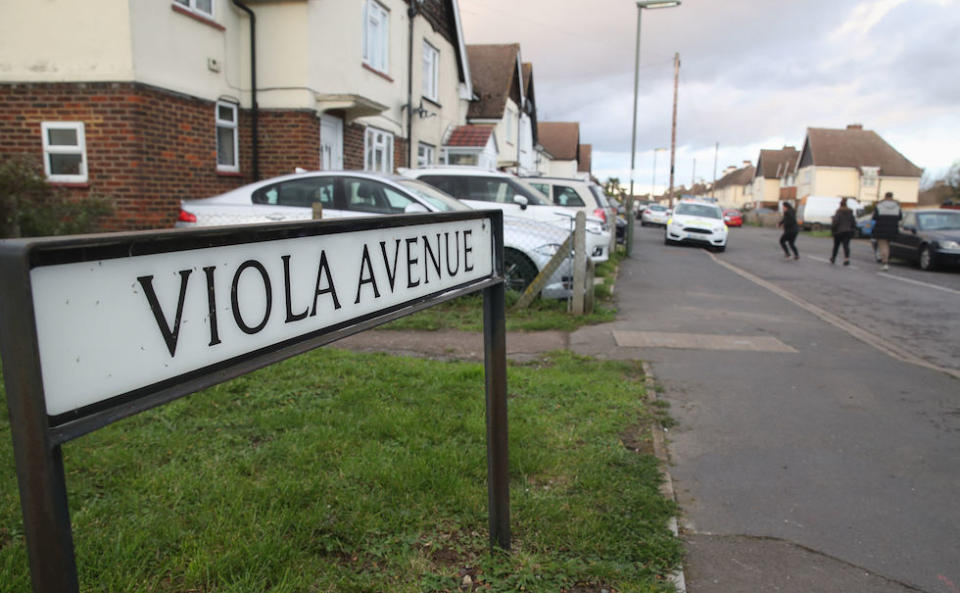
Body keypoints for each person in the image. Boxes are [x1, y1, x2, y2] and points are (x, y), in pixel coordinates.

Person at [872, 191, 902, 271]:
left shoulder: (879, 205)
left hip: (881, 228)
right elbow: (900, 217)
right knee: (888, 245)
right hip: (892, 228)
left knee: (883, 246)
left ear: (885, 196)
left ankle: (885, 263)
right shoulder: (897, 206)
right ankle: (886, 261)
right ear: (892, 197)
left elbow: (874, 217)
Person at [830, 197, 856, 265]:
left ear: (840, 205)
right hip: (848, 231)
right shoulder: (850, 212)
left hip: (839, 231)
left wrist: (833, 229)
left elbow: (835, 222)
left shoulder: (838, 212)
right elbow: (853, 222)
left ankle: (833, 258)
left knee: (836, 246)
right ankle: (846, 259)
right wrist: (852, 229)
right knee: (846, 245)